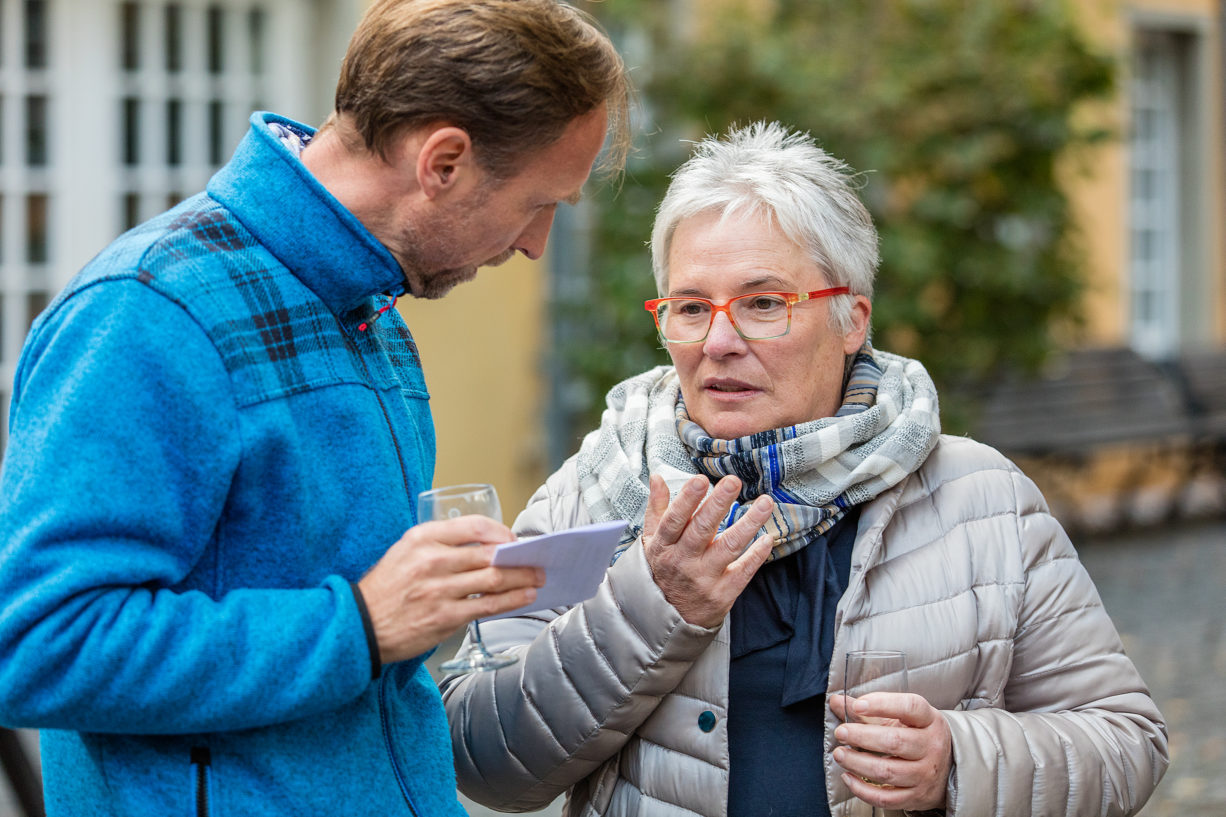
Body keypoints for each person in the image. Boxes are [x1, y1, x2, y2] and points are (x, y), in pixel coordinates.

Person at [0, 1, 629, 814]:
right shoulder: (151, 312)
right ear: (443, 160)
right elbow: (35, 644)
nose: (538, 243)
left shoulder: (370, 311)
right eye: (540, 202)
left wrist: (423, 598)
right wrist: (359, 624)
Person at [440, 122, 1169, 817]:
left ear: (852, 317)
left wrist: (958, 757)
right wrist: (654, 607)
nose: (718, 340)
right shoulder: (596, 487)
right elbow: (480, 752)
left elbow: (1126, 740)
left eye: (763, 303)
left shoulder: (980, 497)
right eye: (691, 307)